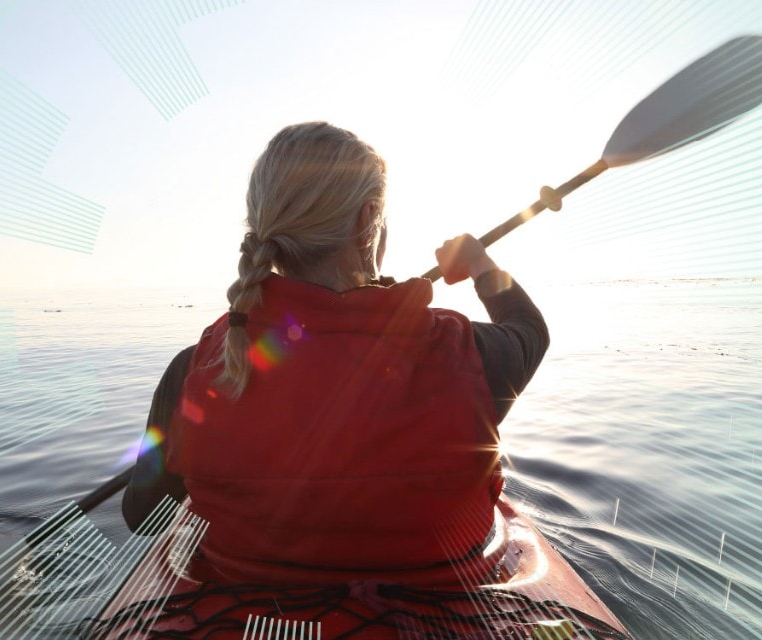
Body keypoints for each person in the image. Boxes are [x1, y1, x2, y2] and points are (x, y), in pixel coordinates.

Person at [121, 121, 548, 584]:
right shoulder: (468, 355)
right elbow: (529, 331)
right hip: (442, 599)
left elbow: (143, 515)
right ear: (367, 220)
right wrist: (482, 265)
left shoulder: (196, 368)